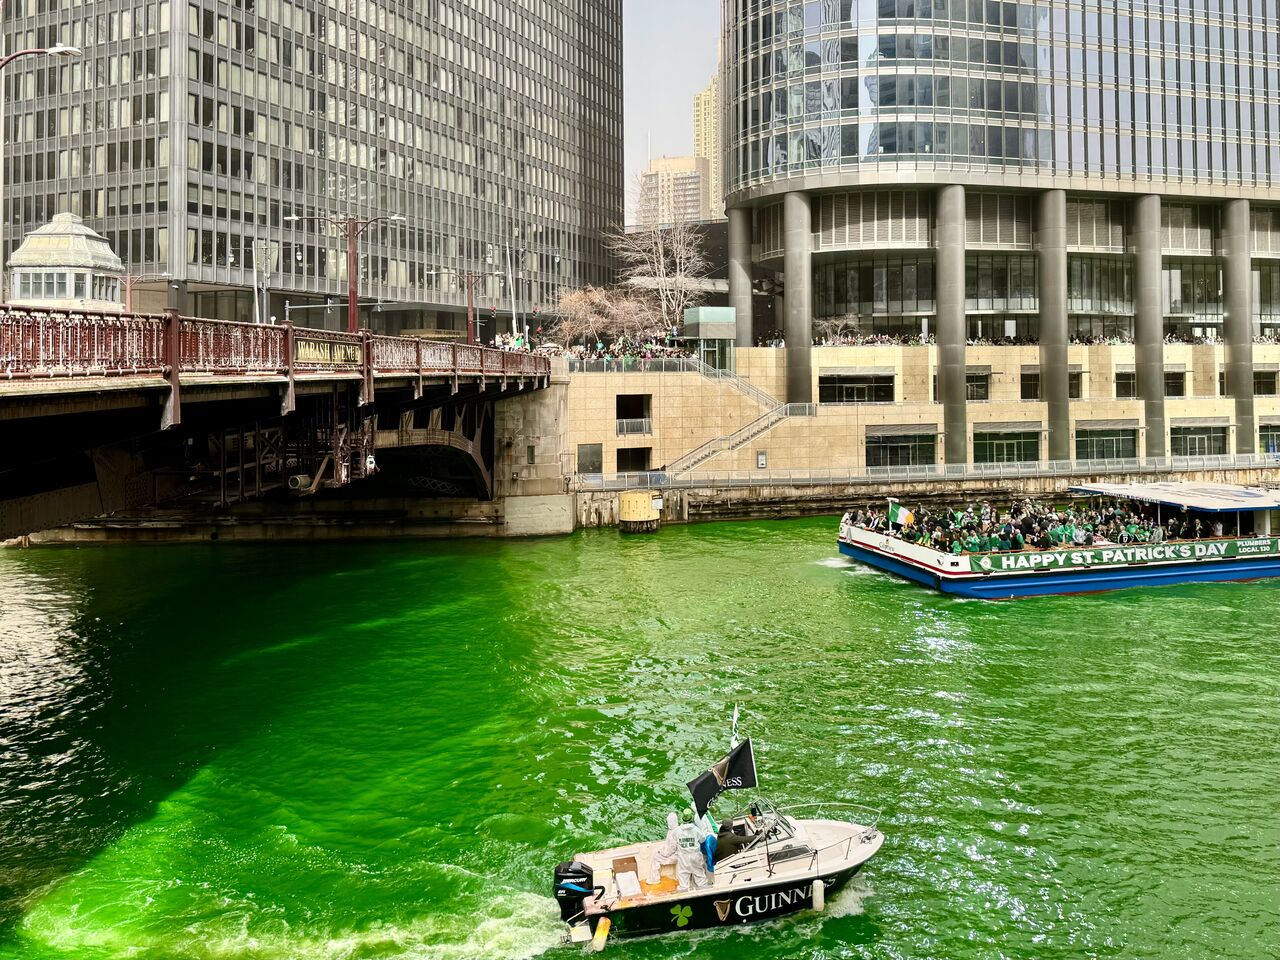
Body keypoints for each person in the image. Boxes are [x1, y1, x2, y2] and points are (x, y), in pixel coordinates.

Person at [675, 810, 709, 891]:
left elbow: (674, 840)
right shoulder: (696, 830)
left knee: (683, 873)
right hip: (695, 854)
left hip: (683, 855)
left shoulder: (677, 830)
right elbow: (702, 839)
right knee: (698, 871)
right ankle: (702, 887)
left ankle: (683, 888)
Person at [647, 812, 680, 884]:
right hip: (678, 854)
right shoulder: (677, 829)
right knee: (658, 854)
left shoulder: (673, 833)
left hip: (675, 856)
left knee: (656, 858)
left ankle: (655, 879)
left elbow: (671, 850)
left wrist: (662, 853)